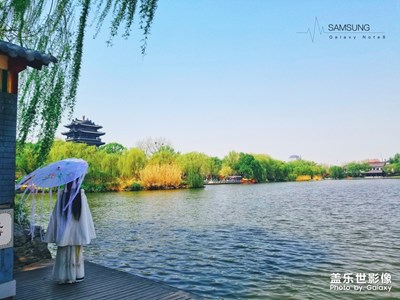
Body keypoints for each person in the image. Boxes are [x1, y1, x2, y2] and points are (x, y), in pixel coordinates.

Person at [44, 179, 96, 284]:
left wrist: (53, 232)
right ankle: (77, 275)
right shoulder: (81, 195)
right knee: (76, 253)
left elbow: (56, 216)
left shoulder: (62, 196)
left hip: (64, 234)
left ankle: (63, 276)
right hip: (78, 233)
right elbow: (86, 217)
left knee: (63, 253)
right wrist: (86, 232)